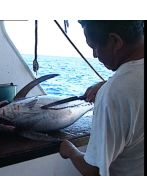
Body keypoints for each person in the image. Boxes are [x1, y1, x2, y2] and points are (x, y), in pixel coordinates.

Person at [59, 21, 144, 176]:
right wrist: (107, 83)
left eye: (94, 47)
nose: (94, 55)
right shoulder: (118, 87)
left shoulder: (113, 92)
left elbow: (93, 171)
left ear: (115, 41)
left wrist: (69, 149)